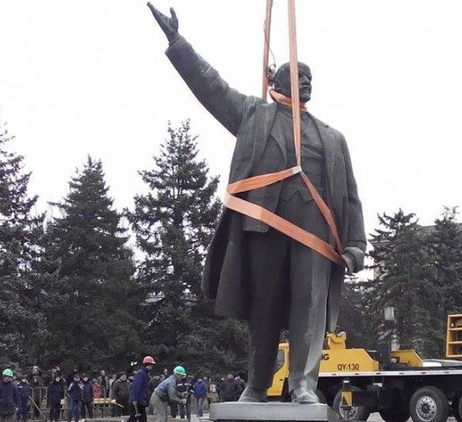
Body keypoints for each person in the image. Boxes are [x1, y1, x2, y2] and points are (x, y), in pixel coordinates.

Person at [147, 3, 366, 405]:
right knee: (263, 309)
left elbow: (350, 196)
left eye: (309, 77)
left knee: (310, 310)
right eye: (298, 75)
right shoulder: (254, 115)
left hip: (316, 235)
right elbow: (212, 88)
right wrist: (178, 42)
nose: (306, 81)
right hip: (265, 226)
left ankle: (303, 385)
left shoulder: (333, 138)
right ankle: (258, 384)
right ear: (278, 82)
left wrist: (356, 245)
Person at [128, 356, 155, 422]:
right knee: (134, 418)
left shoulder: (144, 373)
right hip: (138, 400)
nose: (152, 367)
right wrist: (135, 399)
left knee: (142, 418)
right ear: (147, 365)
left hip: (141, 400)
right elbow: (136, 386)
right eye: (151, 365)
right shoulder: (141, 373)